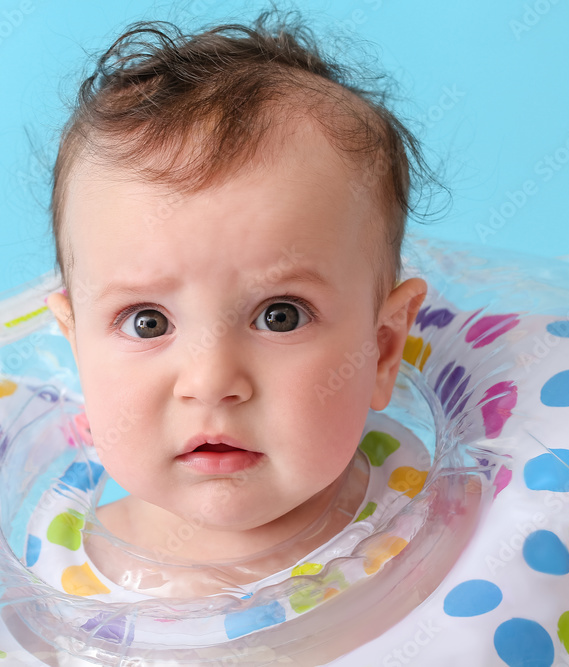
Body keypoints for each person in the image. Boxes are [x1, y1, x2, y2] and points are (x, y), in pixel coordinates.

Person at [45, 10, 430, 591]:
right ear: (78, 349)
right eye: (147, 323)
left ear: (381, 349)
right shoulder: (50, 580)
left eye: (280, 315)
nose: (210, 380)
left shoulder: (448, 521)